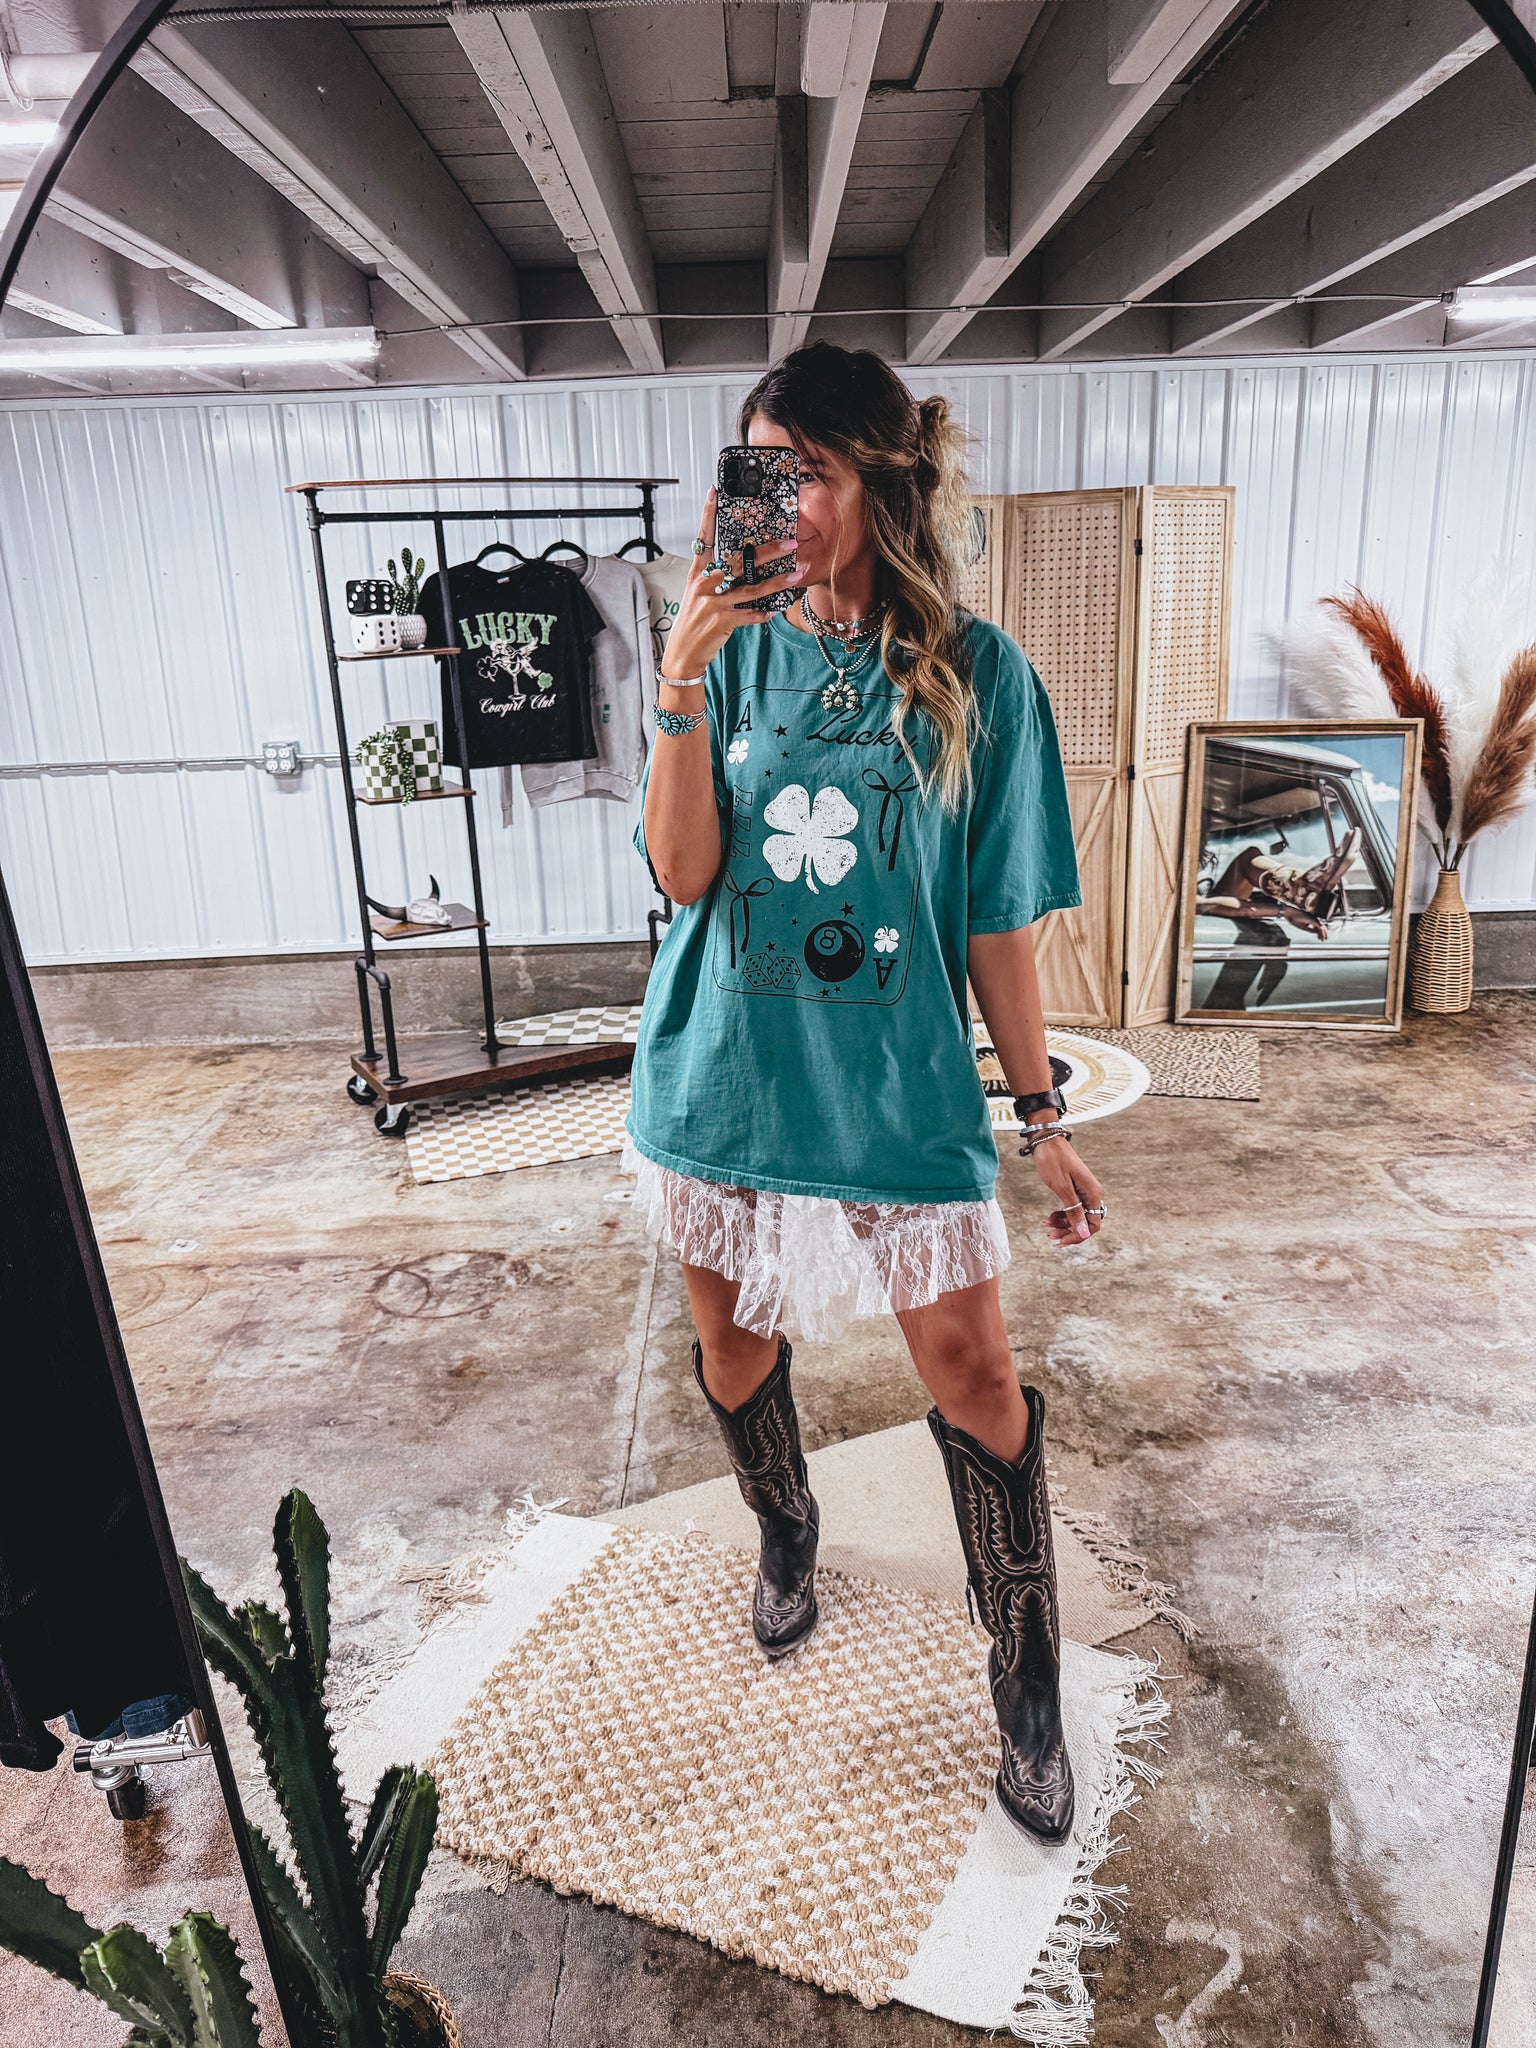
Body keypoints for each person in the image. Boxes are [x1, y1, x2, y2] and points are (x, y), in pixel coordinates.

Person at [623, 343, 1104, 1844]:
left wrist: (1040, 1116)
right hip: (725, 1072)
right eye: (759, 472)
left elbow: (996, 926)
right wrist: (680, 676)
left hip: (895, 1088)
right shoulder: (727, 650)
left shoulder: (980, 674)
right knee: (734, 1342)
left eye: (809, 474)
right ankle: (786, 1529)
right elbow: (684, 876)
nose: (780, 505)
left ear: (882, 482)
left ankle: (1026, 1675)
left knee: (973, 1370)